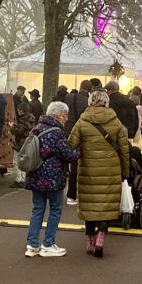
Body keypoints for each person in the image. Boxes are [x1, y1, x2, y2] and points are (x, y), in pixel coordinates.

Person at [68, 90, 129, 258]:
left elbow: (71, 144)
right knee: (105, 205)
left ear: (91, 101)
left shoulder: (82, 120)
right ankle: (101, 238)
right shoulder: (115, 122)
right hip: (111, 170)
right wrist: (125, 171)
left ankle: (90, 241)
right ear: (106, 102)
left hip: (88, 169)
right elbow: (124, 150)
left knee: (90, 205)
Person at [24, 102, 80, 258]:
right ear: (59, 115)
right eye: (65, 116)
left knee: (37, 209)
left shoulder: (36, 128)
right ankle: (48, 244)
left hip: (35, 176)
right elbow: (67, 154)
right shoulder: (57, 132)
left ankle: (32, 244)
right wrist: (79, 150)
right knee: (55, 209)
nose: (67, 119)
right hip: (53, 178)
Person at [64, 80, 91, 205]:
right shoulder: (88, 102)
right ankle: (74, 195)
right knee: (77, 166)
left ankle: (62, 193)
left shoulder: (68, 97)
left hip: (66, 132)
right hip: (80, 135)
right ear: (89, 89)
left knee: (63, 163)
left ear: (80, 87)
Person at [9, 98, 36, 188]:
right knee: (24, 160)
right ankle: (24, 179)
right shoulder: (31, 119)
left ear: (21, 110)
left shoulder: (23, 119)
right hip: (28, 142)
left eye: (18, 110)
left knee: (17, 161)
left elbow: (19, 131)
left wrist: (12, 127)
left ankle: (19, 179)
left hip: (20, 142)